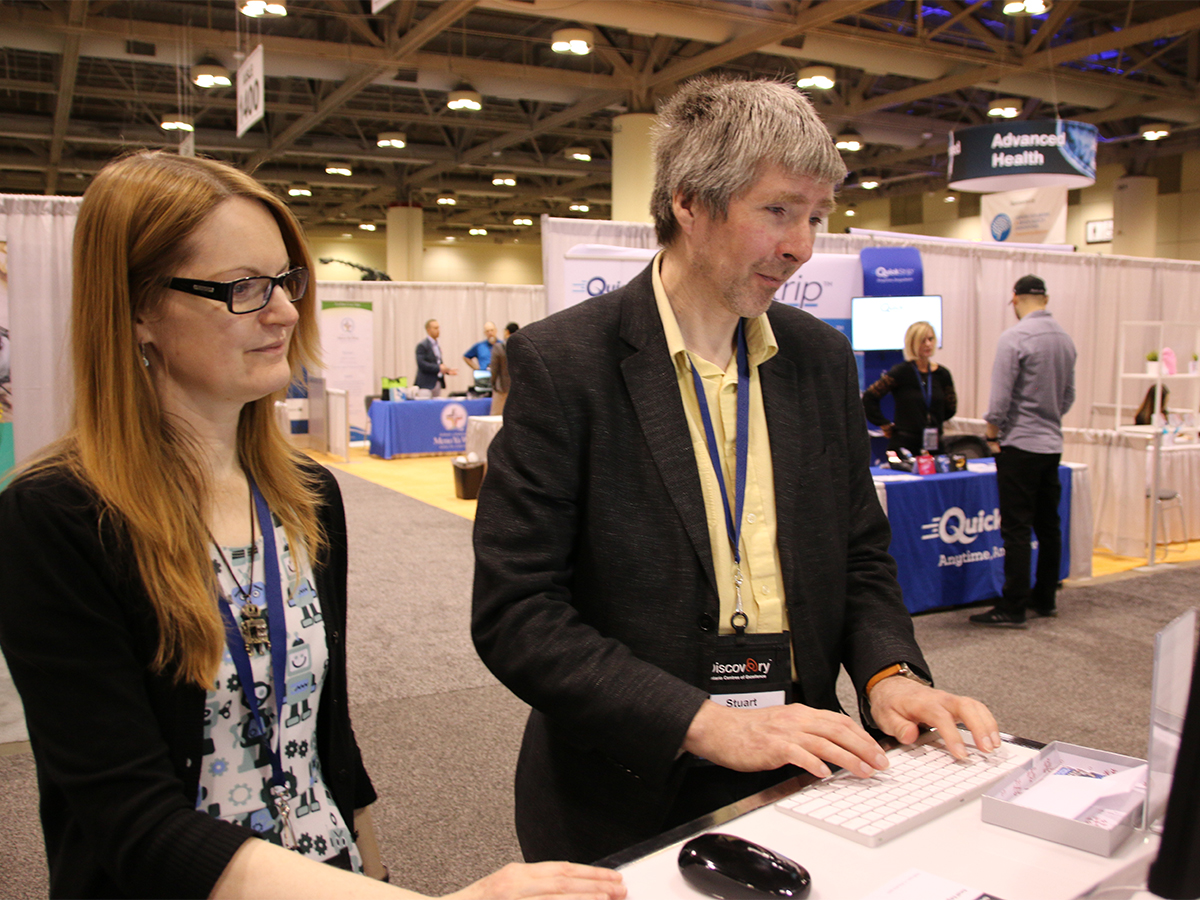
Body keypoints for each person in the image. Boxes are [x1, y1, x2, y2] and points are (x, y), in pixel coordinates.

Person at [0, 152, 624, 900]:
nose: (286, 312)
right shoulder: (57, 518)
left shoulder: (306, 496)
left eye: (286, 280)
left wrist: (377, 874)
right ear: (137, 309)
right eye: (242, 288)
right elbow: (130, 819)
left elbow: (325, 731)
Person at [471, 76, 1000, 865]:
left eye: (815, 217)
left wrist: (889, 672)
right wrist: (706, 722)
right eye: (778, 211)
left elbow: (859, 552)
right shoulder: (563, 364)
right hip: (629, 783)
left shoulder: (818, 360)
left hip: (801, 765)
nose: (802, 246)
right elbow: (518, 614)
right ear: (690, 202)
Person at [971, 275, 1077, 628]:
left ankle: (1012, 606)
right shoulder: (1065, 339)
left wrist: (992, 431)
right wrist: (1049, 419)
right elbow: (1068, 396)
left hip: (1019, 444)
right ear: (1044, 299)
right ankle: (1044, 598)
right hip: (1051, 444)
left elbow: (1001, 396)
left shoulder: (1014, 337)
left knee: (1016, 528)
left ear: (1014, 299)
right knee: (1049, 525)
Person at [862, 320, 957, 454]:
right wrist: (884, 424)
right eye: (923, 340)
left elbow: (950, 407)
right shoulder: (900, 372)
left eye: (931, 339)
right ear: (913, 343)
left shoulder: (942, 374)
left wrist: (933, 420)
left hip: (934, 444)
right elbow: (869, 397)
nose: (928, 344)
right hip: (904, 443)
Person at [415, 319, 456, 396]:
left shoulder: (436, 346)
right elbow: (421, 364)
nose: (438, 330)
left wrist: (446, 370)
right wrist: (439, 368)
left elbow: (438, 362)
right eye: (435, 328)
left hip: (437, 382)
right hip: (426, 384)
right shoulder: (422, 345)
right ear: (428, 330)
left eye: (438, 328)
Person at [489, 323, 519, 416]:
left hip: (501, 387)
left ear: (507, 332)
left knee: (496, 417)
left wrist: (492, 383)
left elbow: (494, 369)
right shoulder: (521, 347)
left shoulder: (498, 347)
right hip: (516, 388)